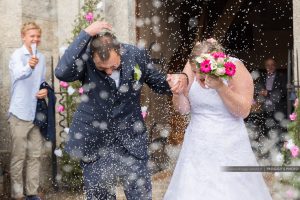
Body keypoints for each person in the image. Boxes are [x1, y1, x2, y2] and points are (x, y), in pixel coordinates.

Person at [55, 21, 187, 200]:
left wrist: (177, 81)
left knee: (140, 195)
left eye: (113, 66)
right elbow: (63, 73)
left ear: (120, 52)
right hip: (96, 140)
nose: (109, 72)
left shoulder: (135, 54)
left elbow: (157, 81)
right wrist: (85, 34)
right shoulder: (85, 58)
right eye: (103, 68)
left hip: (131, 139)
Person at [164, 39, 272, 200]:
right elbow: (183, 109)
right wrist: (177, 93)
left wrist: (221, 87)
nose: (198, 75)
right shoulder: (191, 66)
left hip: (230, 143)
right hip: (197, 144)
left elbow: (243, 111)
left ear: (217, 63)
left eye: (202, 70)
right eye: (195, 71)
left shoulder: (235, 68)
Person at [8, 22, 47, 200]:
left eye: (37, 36)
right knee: (18, 157)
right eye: (32, 36)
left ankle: (32, 193)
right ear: (23, 36)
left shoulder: (42, 57)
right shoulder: (17, 55)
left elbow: (42, 82)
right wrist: (29, 66)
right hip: (19, 113)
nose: (35, 39)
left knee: (35, 156)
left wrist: (45, 90)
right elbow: (18, 74)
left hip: (36, 113)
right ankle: (17, 194)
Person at [255, 58, 287, 147]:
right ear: (265, 67)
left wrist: (268, 93)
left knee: (279, 131)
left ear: (275, 66)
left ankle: (280, 149)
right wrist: (259, 92)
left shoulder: (282, 77)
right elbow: (258, 90)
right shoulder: (262, 78)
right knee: (266, 130)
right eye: (268, 65)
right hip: (265, 109)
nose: (270, 67)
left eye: (272, 64)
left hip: (278, 109)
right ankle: (269, 150)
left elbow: (283, 92)